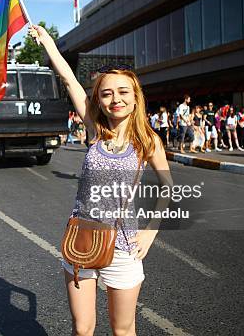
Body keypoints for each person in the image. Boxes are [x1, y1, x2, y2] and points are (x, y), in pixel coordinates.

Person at [30, 24, 172, 336]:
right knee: (82, 329)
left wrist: (150, 233)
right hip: (81, 237)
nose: (115, 99)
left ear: (135, 98)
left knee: (122, 330)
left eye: (123, 92)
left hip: (123, 245)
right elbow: (68, 79)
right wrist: (48, 44)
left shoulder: (148, 141)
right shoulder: (95, 130)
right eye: (106, 93)